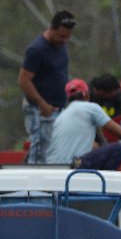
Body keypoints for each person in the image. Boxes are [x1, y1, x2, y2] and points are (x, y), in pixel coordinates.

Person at [45, 79, 121, 170]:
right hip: (73, 165)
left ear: (68, 99)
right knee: (118, 149)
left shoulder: (61, 116)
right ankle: (100, 185)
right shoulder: (91, 108)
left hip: (54, 168)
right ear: (86, 94)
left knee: (96, 147)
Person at [18, 10, 76, 164]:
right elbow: (24, 80)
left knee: (52, 147)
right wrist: (42, 104)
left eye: (68, 37)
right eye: (61, 36)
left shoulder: (61, 46)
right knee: (40, 145)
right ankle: (33, 182)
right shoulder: (37, 50)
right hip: (38, 108)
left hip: (57, 107)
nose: (64, 40)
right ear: (52, 28)